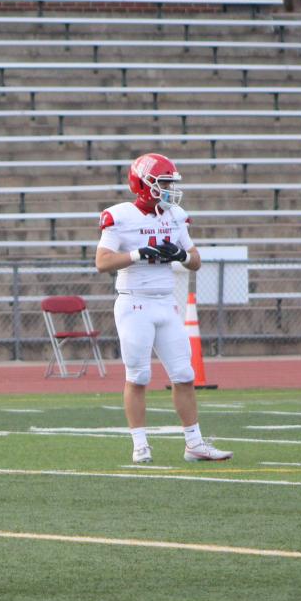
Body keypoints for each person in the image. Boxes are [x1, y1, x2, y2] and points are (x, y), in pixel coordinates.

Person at [95, 153, 233, 465]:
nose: (170, 188)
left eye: (171, 182)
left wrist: (181, 255)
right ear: (143, 185)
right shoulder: (120, 216)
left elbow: (195, 261)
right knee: (139, 376)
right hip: (134, 302)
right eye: (164, 182)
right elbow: (102, 262)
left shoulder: (175, 215)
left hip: (165, 301)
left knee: (184, 374)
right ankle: (140, 445)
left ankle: (194, 444)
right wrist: (137, 254)